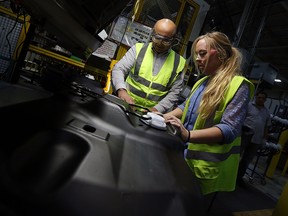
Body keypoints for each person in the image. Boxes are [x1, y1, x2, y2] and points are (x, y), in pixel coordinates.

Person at [162, 31, 255, 195]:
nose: (197, 58)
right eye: (197, 54)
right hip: (184, 156)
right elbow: (186, 106)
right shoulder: (203, 82)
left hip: (204, 167)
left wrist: (188, 135)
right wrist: (163, 116)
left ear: (220, 54)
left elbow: (229, 129)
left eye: (202, 53)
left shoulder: (238, 86)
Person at [111, 18, 186, 113]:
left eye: (166, 40)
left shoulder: (179, 62)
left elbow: (174, 93)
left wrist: (155, 110)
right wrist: (121, 90)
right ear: (152, 34)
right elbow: (119, 69)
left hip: (152, 115)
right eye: (157, 38)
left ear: (174, 40)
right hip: (126, 106)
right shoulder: (138, 49)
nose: (160, 44)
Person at [237, 91, 272, 185]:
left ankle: (238, 178)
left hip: (256, 139)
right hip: (244, 135)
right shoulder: (248, 106)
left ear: (265, 100)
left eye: (263, 98)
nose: (260, 99)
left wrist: (264, 139)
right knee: (236, 155)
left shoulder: (266, 112)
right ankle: (227, 175)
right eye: (259, 97)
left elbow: (266, 127)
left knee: (247, 159)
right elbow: (239, 118)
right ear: (256, 97)